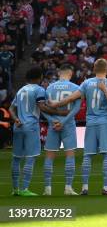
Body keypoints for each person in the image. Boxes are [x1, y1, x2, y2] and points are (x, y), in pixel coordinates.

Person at [48, 59, 107, 195]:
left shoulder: (86, 83)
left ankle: (85, 187)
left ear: (94, 68)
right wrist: (105, 90)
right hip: (105, 121)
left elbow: (71, 98)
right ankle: (106, 188)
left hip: (91, 122)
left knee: (88, 155)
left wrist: (56, 104)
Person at [10, 66, 67, 196]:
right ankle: (24, 189)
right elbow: (42, 107)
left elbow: (11, 108)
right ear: (39, 77)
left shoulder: (21, 90)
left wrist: (15, 119)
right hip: (31, 126)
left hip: (18, 126)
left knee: (16, 158)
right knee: (30, 157)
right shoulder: (39, 89)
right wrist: (61, 113)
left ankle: (15, 190)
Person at [42, 64, 81, 196]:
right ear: (70, 74)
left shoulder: (49, 88)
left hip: (53, 125)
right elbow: (76, 108)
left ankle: (47, 189)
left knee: (49, 157)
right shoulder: (75, 88)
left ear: (59, 73)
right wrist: (64, 121)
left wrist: (52, 120)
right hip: (68, 124)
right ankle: (68, 188)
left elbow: (43, 108)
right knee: (70, 155)